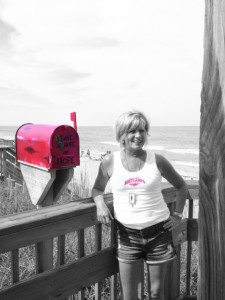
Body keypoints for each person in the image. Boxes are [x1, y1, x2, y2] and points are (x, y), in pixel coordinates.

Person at [92, 111, 187, 300]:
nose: (138, 135)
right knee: (130, 296)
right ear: (122, 134)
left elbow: (181, 186)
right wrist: (100, 203)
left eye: (142, 130)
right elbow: (97, 189)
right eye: (132, 131)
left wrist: (177, 215)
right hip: (127, 236)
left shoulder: (157, 160)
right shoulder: (110, 161)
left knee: (156, 294)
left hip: (159, 233)